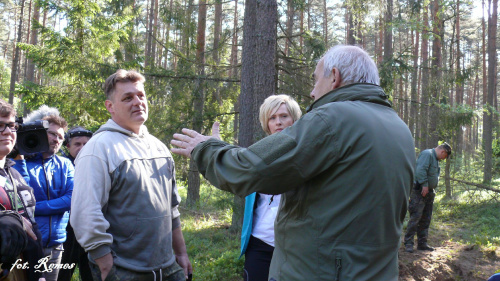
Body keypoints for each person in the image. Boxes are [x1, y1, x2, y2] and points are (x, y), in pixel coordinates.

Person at [171, 45, 416, 280]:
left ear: (334, 77)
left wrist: (206, 148)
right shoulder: (399, 127)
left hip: (322, 272)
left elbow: (250, 169)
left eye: (315, 79)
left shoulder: (332, 118)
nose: (312, 92)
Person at [71, 69, 192, 281]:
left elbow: (171, 210)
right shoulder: (98, 149)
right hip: (123, 270)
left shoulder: (159, 147)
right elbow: (85, 215)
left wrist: (181, 253)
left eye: (141, 95)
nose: (137, 102)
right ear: (111, 107)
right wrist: (107, 266)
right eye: (127, 98)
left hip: (168, 268)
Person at [241, 95, 302, 281]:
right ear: (266, 123)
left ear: (294, 119)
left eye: (284, 116)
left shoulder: (306, 154)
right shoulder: (256, 154)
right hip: (259, 244)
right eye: (272, 118)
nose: (278, 122)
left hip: (294, 247)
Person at [13, 108, 74, 281]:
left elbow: (71, 198)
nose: (56, 140)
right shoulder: (19, 160)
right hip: (25, 245)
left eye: (60, 137)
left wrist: (35, 208)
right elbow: (20, 198)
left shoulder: (65, 165)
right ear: (40, 133)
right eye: (52, 134)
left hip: (55, 245)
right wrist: (21, 159)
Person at [0, 99, 45, 281]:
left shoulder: (15, 174)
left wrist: (39, 272)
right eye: (0, 125)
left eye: (12, 125)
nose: (8, 132)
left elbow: (32, 224)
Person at [57, 127, 93, 281]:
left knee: (91, 275)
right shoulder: (60, 167)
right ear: (68, 146)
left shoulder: (99, 165)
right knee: (63, 274)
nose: (82, 148)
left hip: (92, 229)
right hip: (67, 231)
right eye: (77, 144)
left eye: (86, 144)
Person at [404, 142, 451, 253]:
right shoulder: (427, 154)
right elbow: (420, 170)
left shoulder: (435, 159)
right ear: (442, 151)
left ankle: (422, 243)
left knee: (426, 219)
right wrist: (425, 184)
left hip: (429, 193)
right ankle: (408, 243)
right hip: (420, 191)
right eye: (445, 156)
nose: (444, 159)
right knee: (416, 217)